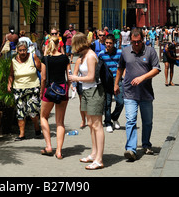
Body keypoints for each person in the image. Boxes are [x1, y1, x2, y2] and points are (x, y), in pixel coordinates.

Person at [114, 28, 161, 161]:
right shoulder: (125, 51)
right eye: (133, 42)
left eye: (138, 42)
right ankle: (131, 149)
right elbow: (120, 68)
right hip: (129, 92)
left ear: (143, 40)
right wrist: (116, 84)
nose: (136, 44)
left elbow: (156, 69)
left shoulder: (150, 51)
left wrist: (142, 77)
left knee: (147, 122)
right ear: (130, 41)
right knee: (130, 121)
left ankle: (146, 144)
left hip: (146, 93)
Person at [70, 32, 105, 170]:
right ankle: (94, 153)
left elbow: (91, 77)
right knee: (90, 123)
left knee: (97, 125)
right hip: (86, 91)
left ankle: (99, 159)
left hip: (94, 91)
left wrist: (75, 78)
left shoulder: (90, 56)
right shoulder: (84, 55)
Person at [40, 35, 70, 159]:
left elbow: (43, 78)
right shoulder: (65, 58)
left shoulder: (45, 59)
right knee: (60, 122)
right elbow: (69, 76)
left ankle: (48, 146)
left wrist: (42, 92)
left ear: (48, 45)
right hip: (62, 89)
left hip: (49, 90)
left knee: (43, 116)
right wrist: (70, 86)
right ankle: (59, 151)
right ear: (59, 45)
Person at [8, 40, 42, 140]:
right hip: (18, 89)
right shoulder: (14, 60)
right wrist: (9, 84)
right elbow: (11, 74)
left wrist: (44, 84)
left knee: (32, 111)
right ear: (17, 50)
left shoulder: (33, 57)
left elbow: (41, 69)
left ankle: (36, 127)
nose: (23, 52)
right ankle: (21, 134)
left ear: (27, 49)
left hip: (33, 88)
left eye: (24, 50)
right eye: (20, 50)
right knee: (20, 112)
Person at [98, 34, 124, 133]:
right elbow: (98, 69)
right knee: (107, 103)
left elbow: (123, 66)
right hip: (106, 81)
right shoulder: (101, 54)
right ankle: (108, 122)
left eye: (110, 43)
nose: (108, 45)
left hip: (117, 79)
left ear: (114, 44)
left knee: (121, 102)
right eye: (106, 43)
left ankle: (114, 117)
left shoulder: (120, 53)